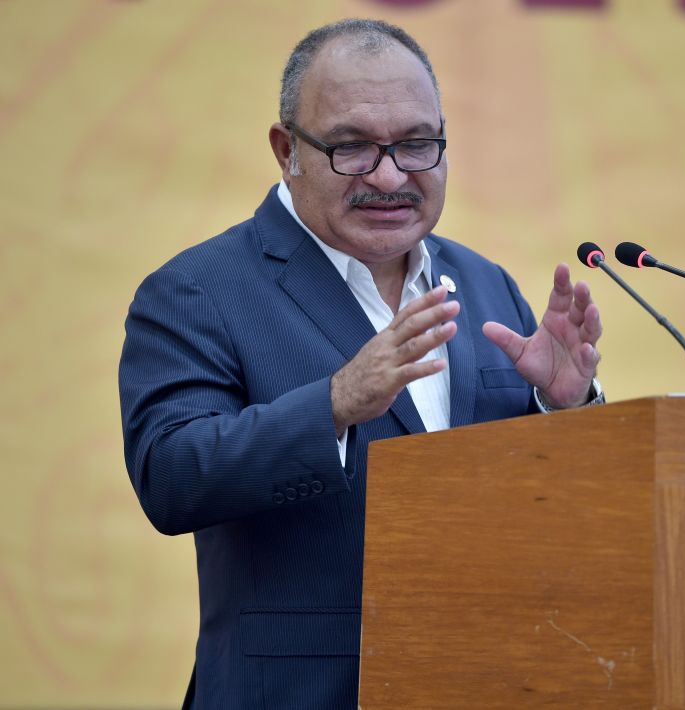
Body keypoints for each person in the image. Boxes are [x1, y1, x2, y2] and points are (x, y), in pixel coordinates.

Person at [118, 18, 603, 710]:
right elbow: (172, 478)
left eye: (415, 146)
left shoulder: (484, 283)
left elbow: (557, 510)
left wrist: (566, 411)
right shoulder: (200, 290)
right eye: (351, 148)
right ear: (287, 150)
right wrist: (335, 404)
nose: (388, 175)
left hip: (487, 683)